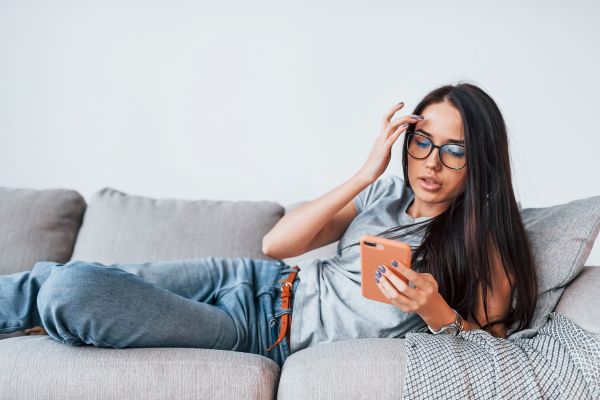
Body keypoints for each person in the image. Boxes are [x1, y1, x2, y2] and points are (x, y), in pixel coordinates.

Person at [0, 83, 538, 368]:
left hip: (263, 334)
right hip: (251, 279)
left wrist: (433, 309)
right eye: (421, 141)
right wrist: (365, 171)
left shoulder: (483, 247)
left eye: (454, 151)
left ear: (481, 161)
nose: (431, 163)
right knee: (40, 281)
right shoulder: (384, 191)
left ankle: (61, 309)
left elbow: (493, 350)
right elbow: (277, 244)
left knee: (72, 286)